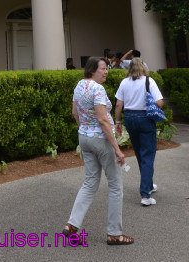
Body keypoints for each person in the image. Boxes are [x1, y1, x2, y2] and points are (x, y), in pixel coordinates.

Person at [63, 58, 132, 245]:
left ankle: (72, 224)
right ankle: (114, 234)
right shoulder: (97, 89)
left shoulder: (79, 85)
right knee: (116, 185)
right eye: (103, 68)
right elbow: (103, 120)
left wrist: (84, 129)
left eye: (107, 68)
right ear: (93, 70)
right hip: (101, 141)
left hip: (84, 138)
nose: (106, 71)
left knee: (90, 182)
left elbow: (74, 113)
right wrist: (117, 149)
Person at [114, 58, 164, 206]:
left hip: (129, 118)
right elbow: (160, 102)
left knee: (140, 154)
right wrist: (151, 105)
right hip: (145, 118)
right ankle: (145, 195)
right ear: (143, 67)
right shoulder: (149, 81)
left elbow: (118, 104)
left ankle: (148, 184)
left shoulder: (124, 82)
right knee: (148, 155)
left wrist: (118, 122)